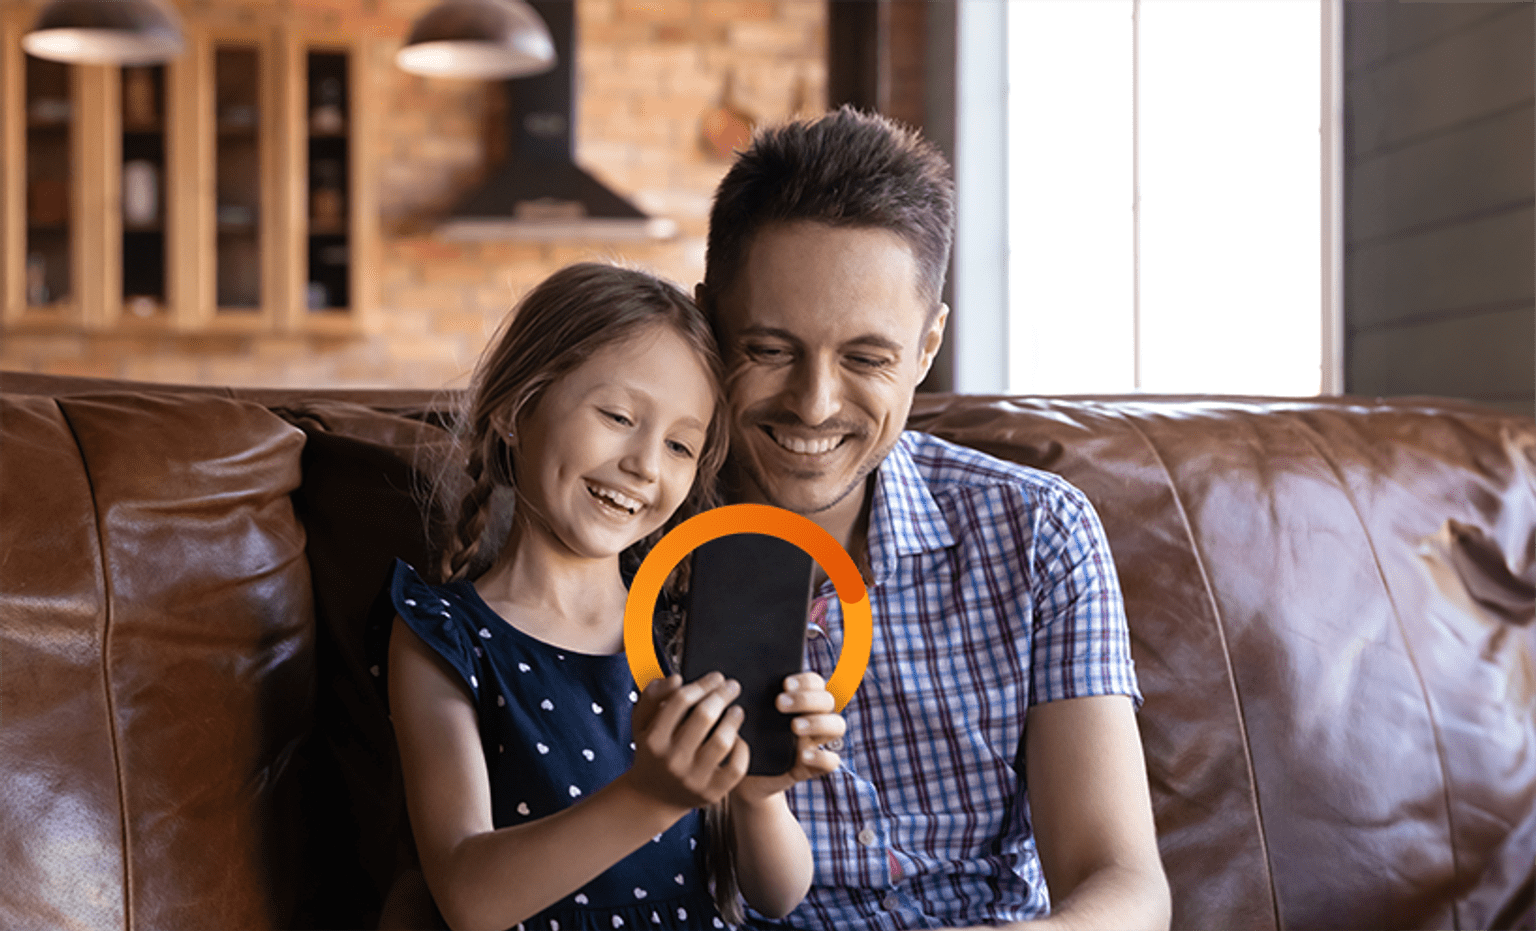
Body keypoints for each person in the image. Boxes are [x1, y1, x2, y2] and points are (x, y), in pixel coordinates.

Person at [695, 107, 1171, 929]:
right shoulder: (627, 542)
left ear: (926, 346)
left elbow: (1123, 884)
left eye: (867, 358)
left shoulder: (1038, 533)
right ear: (709, 324)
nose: (814, 403)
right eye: (770, 349)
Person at [383, 263, 848, 930]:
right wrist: (653, 795)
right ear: (518, 409)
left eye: (681, 445)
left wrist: (758, 796)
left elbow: (777, 894)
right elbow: (469, 897)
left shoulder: (685, 633)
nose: (646, 464)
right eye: (619, 415)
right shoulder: (443, 633)